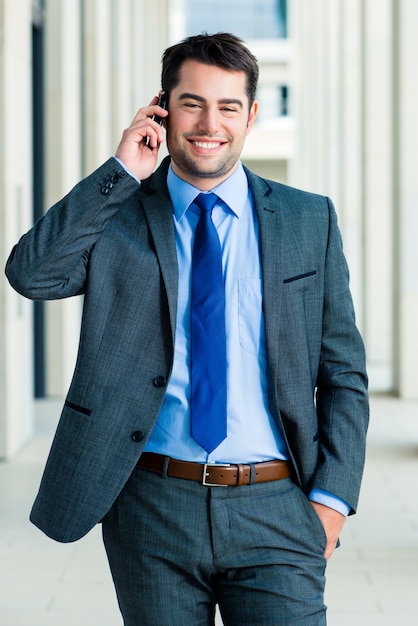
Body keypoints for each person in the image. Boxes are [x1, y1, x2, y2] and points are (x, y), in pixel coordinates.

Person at [5, 33, 369, 626]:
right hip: (151, 506)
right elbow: (31, 275)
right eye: (192, 102)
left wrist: (330, 504)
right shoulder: (119, 213)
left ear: (251, 115)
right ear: (162, 107)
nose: (209, 123)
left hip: (275, 505)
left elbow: (344, 372)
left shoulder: (308, 220)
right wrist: (121, 169)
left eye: (228, 106)